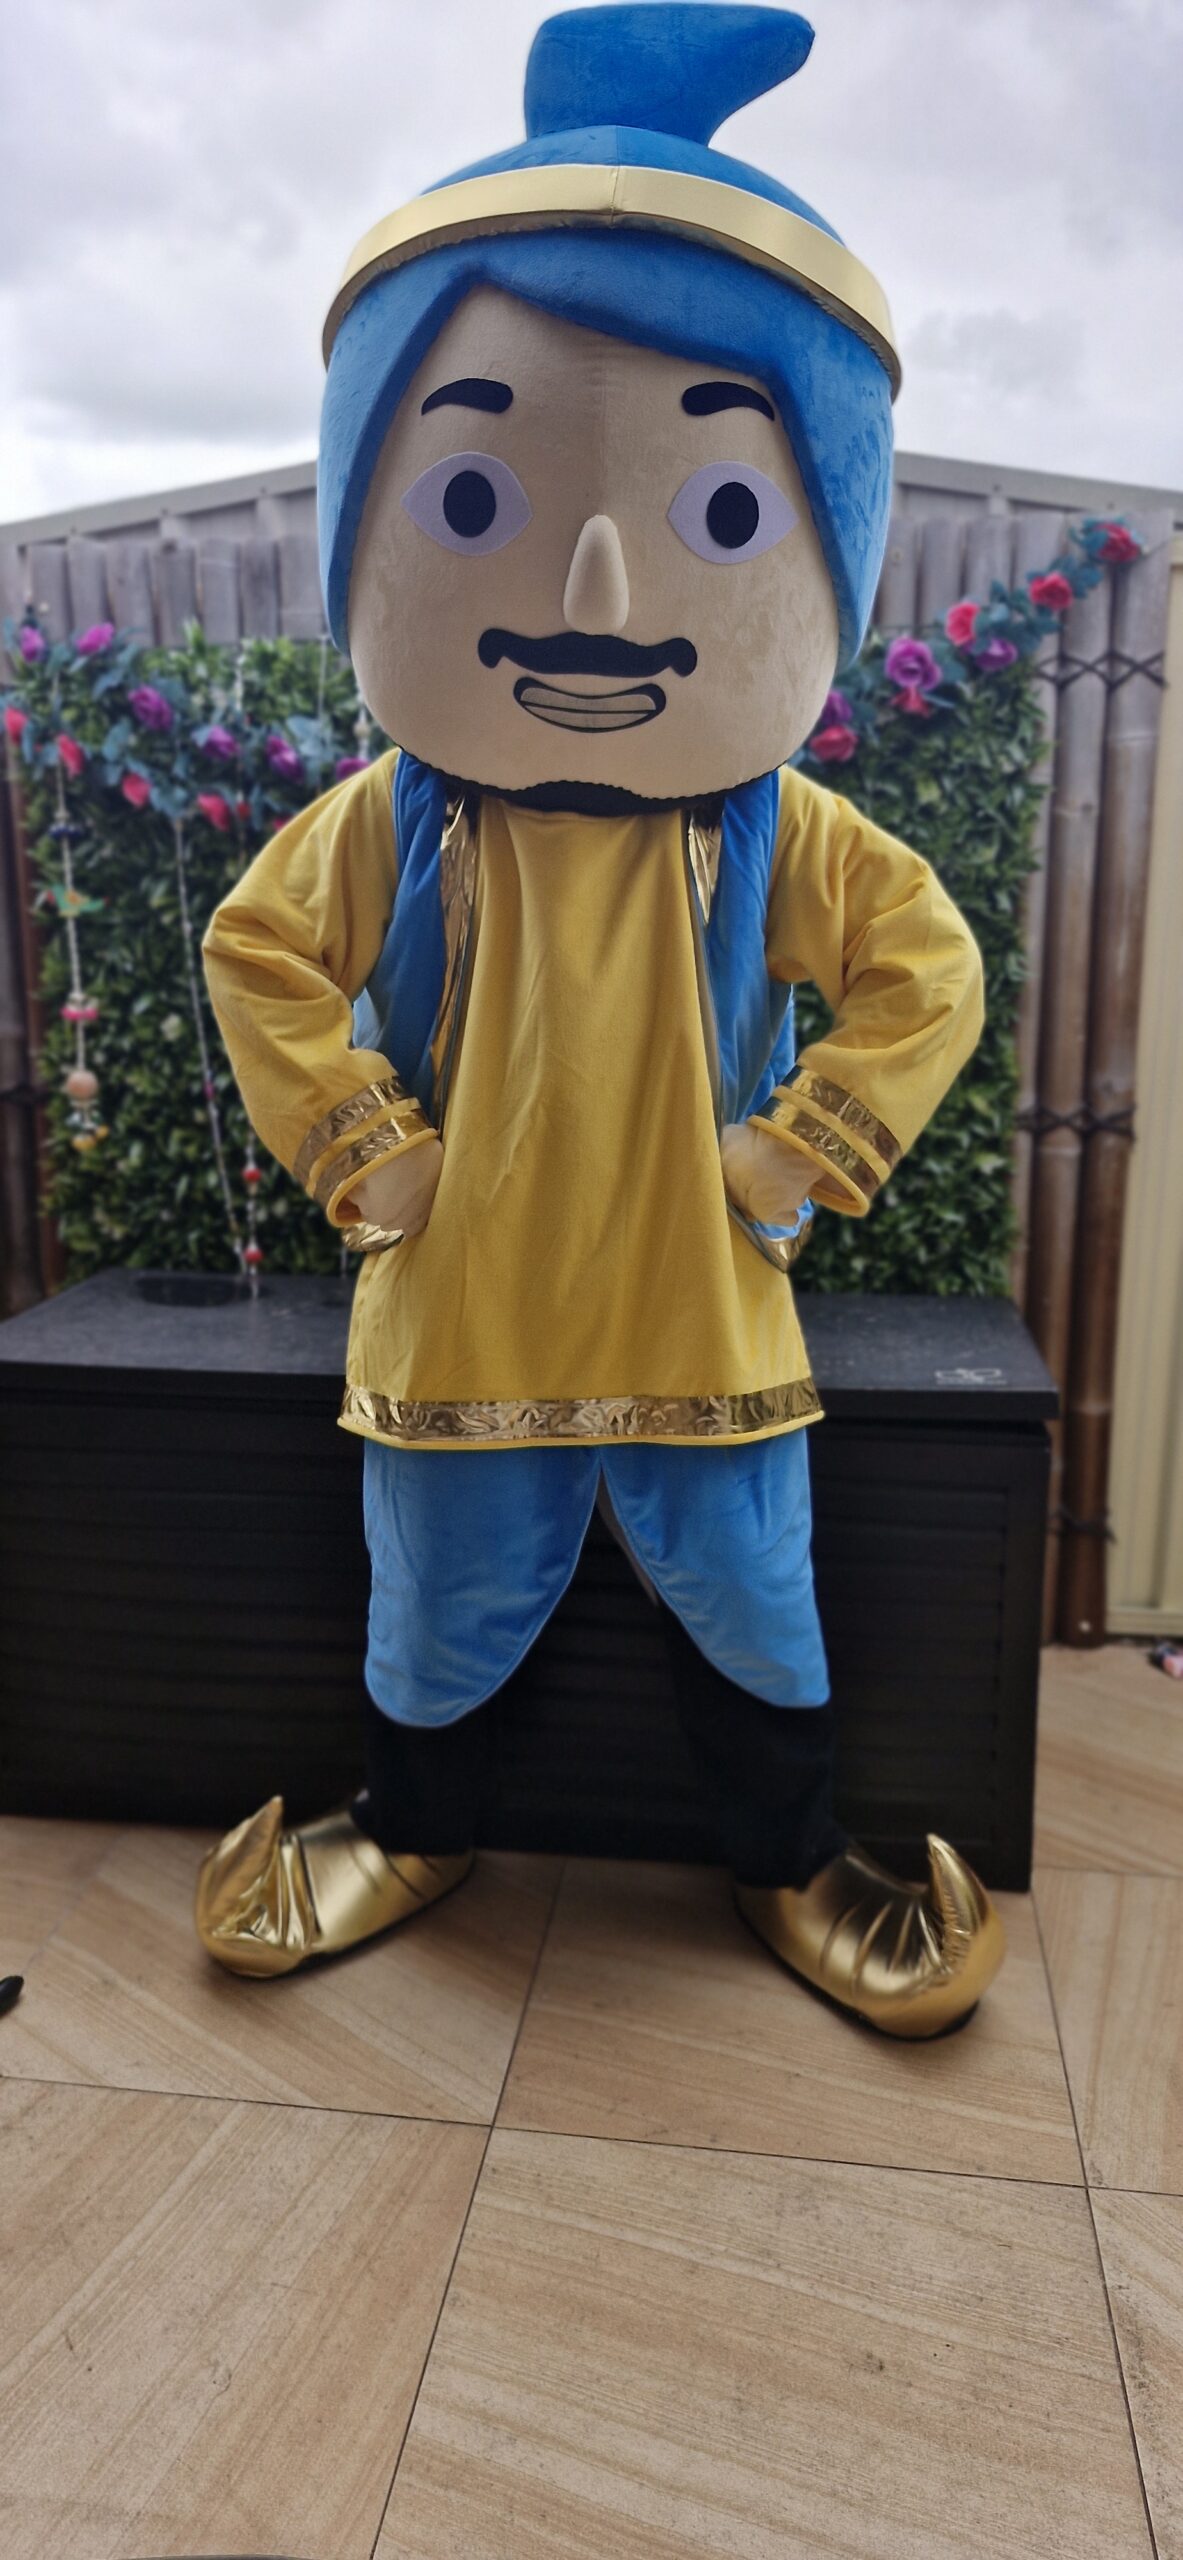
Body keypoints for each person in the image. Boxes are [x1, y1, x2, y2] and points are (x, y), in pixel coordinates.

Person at [196, 2, 1005, 2036]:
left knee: (752, 1596)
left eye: (721, 515)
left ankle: (787, 1860)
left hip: (695, 1308)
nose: (590, 585)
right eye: (471, 499)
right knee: (435, 1596)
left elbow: (927, 963)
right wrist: (363, 1148)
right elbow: (255, 948)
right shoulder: (396, 816)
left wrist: (798, 1148)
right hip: (462, 1303)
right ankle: (414, 1827)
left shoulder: (774, 828)